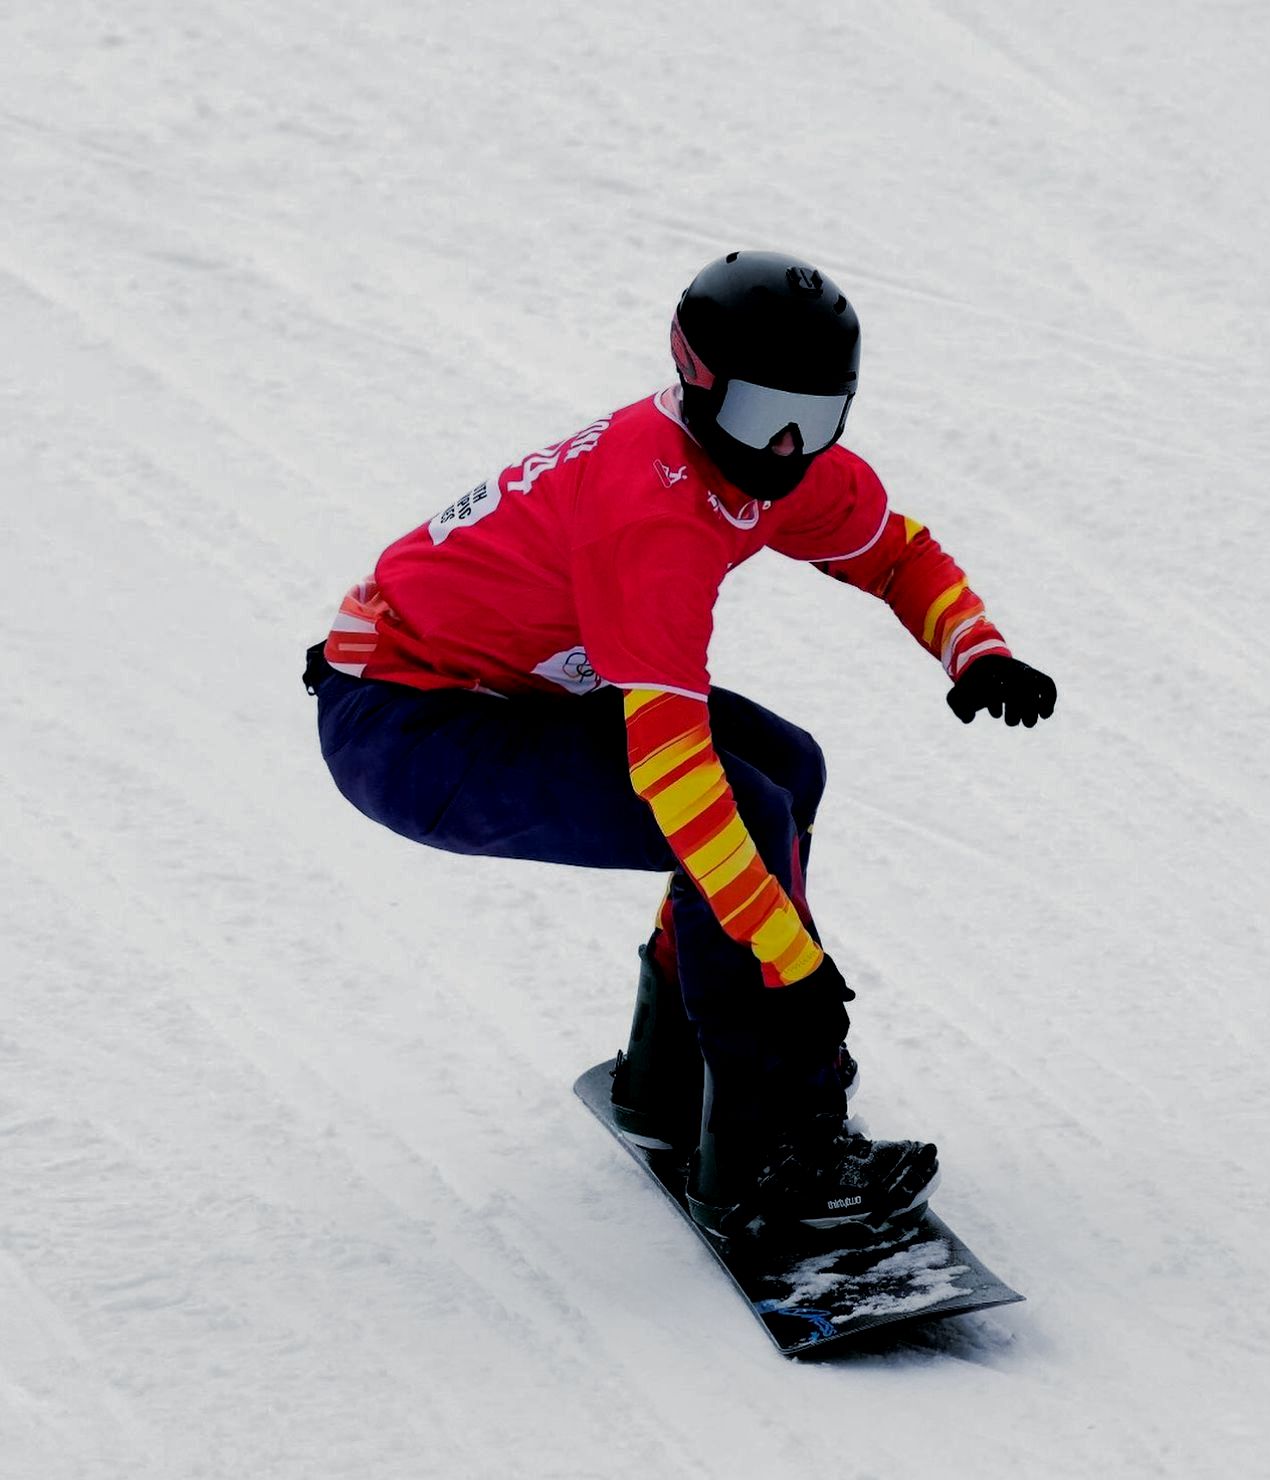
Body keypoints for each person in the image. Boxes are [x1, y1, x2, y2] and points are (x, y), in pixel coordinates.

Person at [302, 249, 1056, 1240]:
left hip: (507, 688)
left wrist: (975, 649)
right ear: (697, 385)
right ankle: (762, 1156)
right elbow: (674, 774)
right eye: (758, 417)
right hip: (408, 728)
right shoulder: (652, 516)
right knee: (740, 809)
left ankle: (672, 1076)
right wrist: (791, 964)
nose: (784, 448)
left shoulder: (779, 466)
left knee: (790, 767)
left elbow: (894, 550)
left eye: (816, 420)